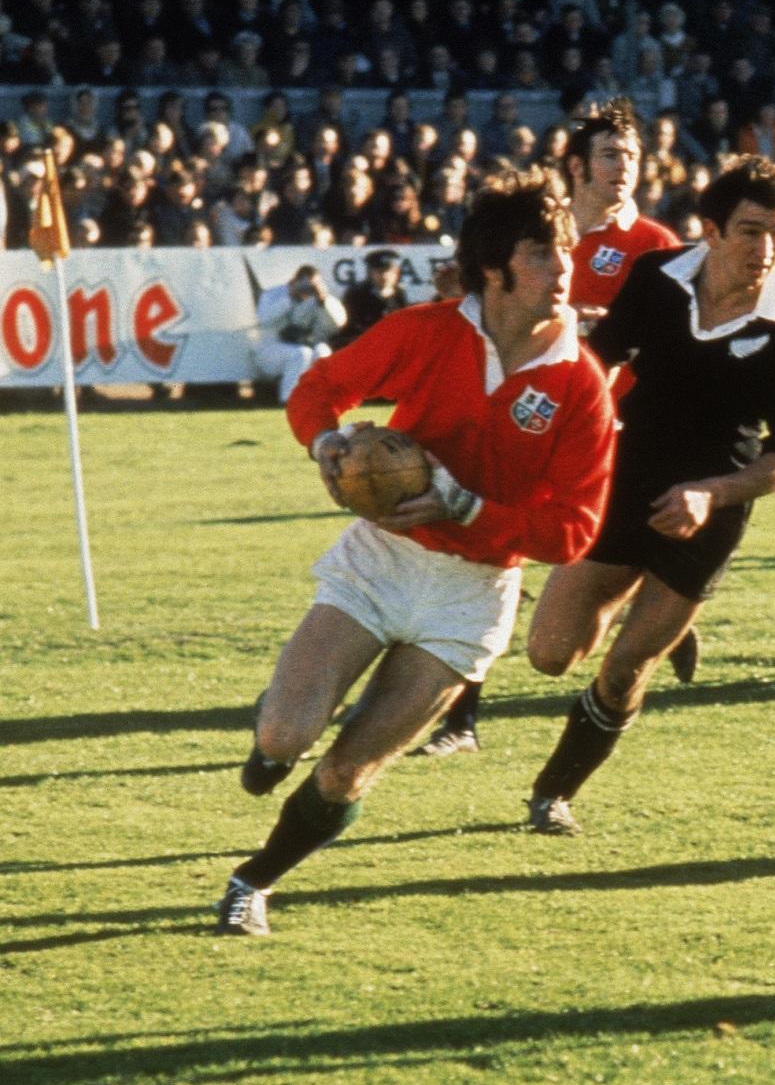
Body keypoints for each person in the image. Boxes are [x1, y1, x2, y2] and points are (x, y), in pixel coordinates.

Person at [215, 170, 616, 935]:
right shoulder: (427, 331)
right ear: (494, 270)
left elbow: (575, 530)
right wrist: (329, 443)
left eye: (566, 251)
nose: (565, 269)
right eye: (542, 253)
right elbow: (318, 389)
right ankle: (270, 752)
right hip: (382, 560)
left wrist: (471, 506)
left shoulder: (580, 382)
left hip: (473, 594)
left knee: (344, 770)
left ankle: (252, 881)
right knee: (284, 735)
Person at [521, 156, 775, 835]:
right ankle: (659, 607)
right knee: (550, 653)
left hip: (707, 513)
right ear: (710, 231)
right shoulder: (656, 279)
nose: (765, 249)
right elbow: (599, 361)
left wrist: (713, 493)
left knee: (626, 668)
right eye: (749, 231)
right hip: (626, 482)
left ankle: (554, 792)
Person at [419, 99, 682, 758]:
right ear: (576, 165)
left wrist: (610, 331)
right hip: (532, 413)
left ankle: (647, 593)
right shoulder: (543, 237)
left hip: (616, 431)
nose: (624, 168)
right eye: (610, 155)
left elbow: (676, 340)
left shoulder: (656, 245)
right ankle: (460, 720)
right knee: (490, 546)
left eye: (632, 156)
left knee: (567, 567)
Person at [252, 264, 346, 402]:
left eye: (311, 285)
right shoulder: (273, 295)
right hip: (271, 350)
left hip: (306, 346)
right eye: (303, 283)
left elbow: (338, 325)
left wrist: (322, 302)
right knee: (301, 353)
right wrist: (291, 298)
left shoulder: (322, 297)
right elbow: (263, 320)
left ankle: (321, 399)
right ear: (293, 281)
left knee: (323, 351)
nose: (307, 289)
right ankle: (290, 400)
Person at [337, 249, 411, 346]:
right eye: (380, 272)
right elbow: (352, 326)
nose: (384, 276)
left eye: (388, 271)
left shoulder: (399, 294)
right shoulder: (356, 294)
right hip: (364, 344)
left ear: (395, 272)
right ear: (371, 273)